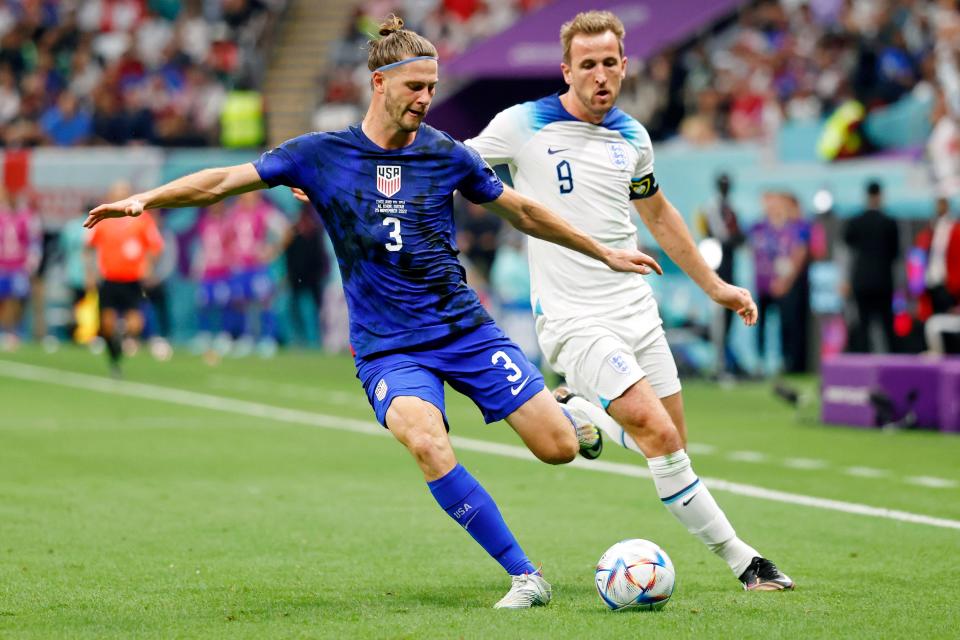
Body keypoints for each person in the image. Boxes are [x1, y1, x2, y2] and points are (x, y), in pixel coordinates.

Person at [84, 15, 661, 609]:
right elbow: (223, 181)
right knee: (427, 441)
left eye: (432, 87)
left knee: (558, 450)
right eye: (415, 87)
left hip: (463, 329)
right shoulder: (321, 155)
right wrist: (145, 200)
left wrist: (603, 250)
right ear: (378, 83)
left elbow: (523, 211)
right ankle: (525, 574)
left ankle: (567, 410)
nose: (426, 99)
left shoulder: (446, 155)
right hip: (388, 345)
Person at [464, 10, 794, 591]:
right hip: (574, 319)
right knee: (658, 437)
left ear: (624, 66)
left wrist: (713, 285)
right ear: (566, 70)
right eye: (586, 65)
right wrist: (356, 175)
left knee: (672, 451)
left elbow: (659, 214)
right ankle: (747, 563)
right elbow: (449, 161)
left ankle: (582, 414)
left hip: (637, 310)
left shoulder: (633, 137)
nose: (599, 75)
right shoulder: (522, 125)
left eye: (608, 63)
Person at [85, 180, 165, 376]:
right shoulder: (104, 220)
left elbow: (155, 246)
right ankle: (114, 359)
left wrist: (148, 266)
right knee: (106, 325)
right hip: (110, 279)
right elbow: (89, 248)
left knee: (135, 324)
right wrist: (90, 273)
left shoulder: (142, 219)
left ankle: (123, 337)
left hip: (132, 280)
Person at [843, 180, 900, 353]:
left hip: (861, 280)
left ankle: (863, 364)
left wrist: (846, 279)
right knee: (887, 326)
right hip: (884, 280)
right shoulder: (889, 222)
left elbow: (846, 250)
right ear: (880, 195)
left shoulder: (856, 221)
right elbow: (895, 253)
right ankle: (891, 363)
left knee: (863, 324)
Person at [697, 173, 745, 376]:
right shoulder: (710, 208)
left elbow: (737, 236)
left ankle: (724, 359)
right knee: (717, 315)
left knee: (729, 316)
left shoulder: (732, 208)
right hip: (716, 266)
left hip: (729, 265)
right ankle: (718, 363)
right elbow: (715, 235)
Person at [0, 186, 41, 351]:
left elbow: (34, 241)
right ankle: (5, 331)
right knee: (3, 301)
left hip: (18, 265)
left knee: (16, 300)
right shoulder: (2, 215)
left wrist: (31, 264)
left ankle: (15, 332)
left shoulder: (27, 217)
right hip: (2, 265)